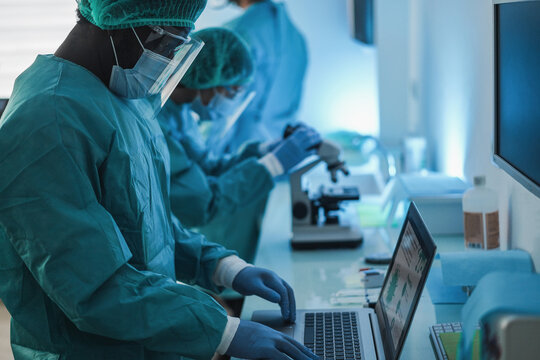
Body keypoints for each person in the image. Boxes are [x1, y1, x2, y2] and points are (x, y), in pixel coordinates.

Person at [0, 1, 318, 359]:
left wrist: (222, 266)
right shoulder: (47, 121)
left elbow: (148, 223)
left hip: (144, 339)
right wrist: (224, 331)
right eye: (168, 45)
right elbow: (94, 288)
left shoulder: (128, 99)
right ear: (124, 23)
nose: (169, 62)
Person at [159, 27, 320, 265]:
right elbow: (202, 203)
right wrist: (273, 165)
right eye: (233, 91)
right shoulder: (159, 123)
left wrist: (264, 151)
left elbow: (206, 168)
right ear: (210, 78)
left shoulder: (181, 113)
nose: (232, 101)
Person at [209, 0, 308, 155]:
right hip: (280, 151)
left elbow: (219, 108)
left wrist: (205, 154)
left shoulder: (239, 31)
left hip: (239, 154)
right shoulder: (296, 38)